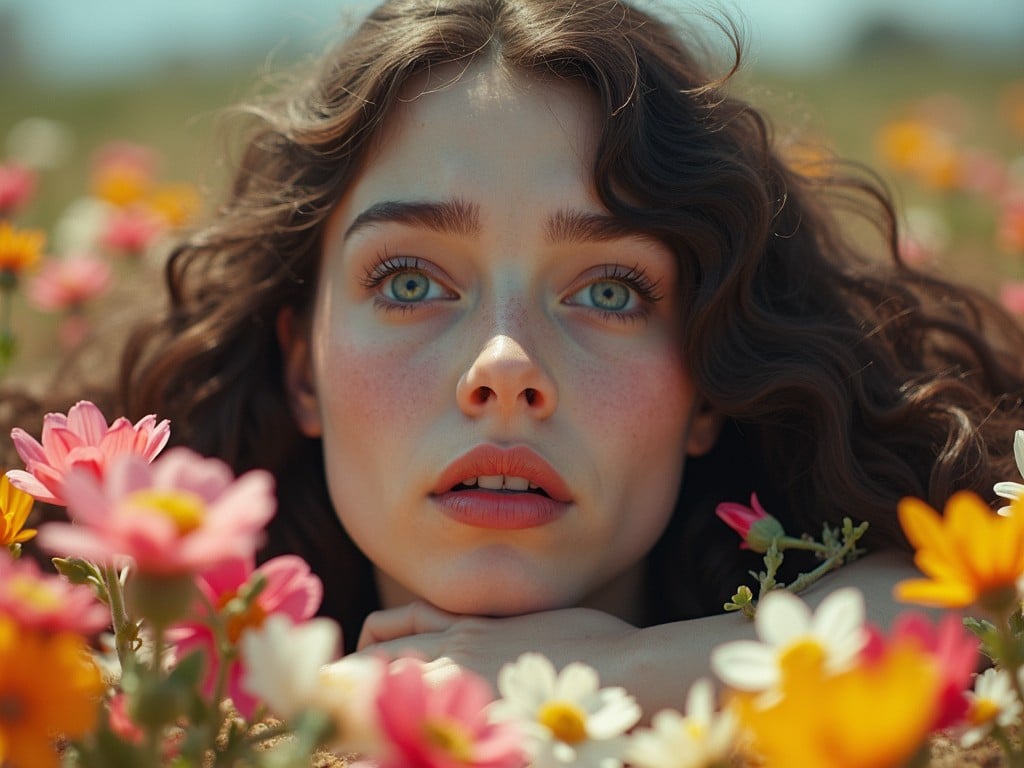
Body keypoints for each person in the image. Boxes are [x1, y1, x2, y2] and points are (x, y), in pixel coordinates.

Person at [10, 0, 1024, 718]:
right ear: (303, 368)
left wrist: (619, 672)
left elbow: (979, 607)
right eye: (409, 282)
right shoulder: (98, 692)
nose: (503, 364)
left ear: (707, 380)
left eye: (610, 289)